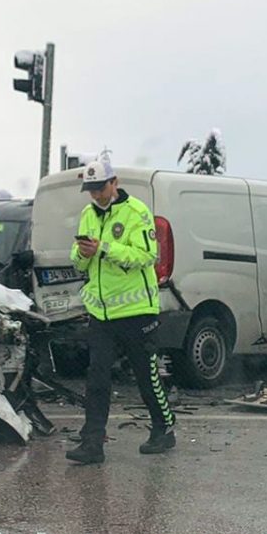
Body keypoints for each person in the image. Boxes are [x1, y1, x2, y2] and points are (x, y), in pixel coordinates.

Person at [66, 156, 175, 464]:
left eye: (100, 188)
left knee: (145, 374)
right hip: (102, 313)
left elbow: (147, 255)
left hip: (137, 311)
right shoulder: (88, 214)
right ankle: (92, 443)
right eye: (91, 190)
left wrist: (103, 248)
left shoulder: (136, 212)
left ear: (114, 183)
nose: (96, 195)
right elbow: (79, 260)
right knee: (97, 377)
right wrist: (82, 253)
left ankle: (164, 427)